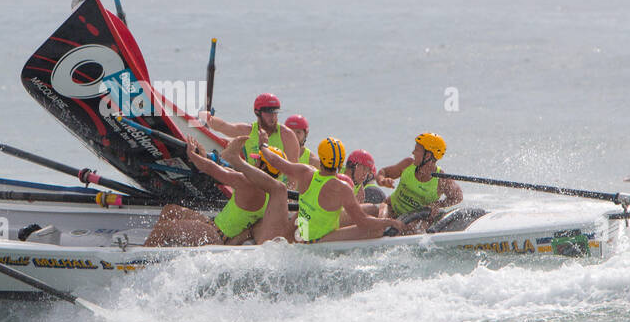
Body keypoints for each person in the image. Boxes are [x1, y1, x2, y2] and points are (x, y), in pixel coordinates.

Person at [144, 136, 283, 246]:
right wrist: (203, 158)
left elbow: (211, 169)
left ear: (262, 165)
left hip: (216, 236)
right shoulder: (274, 193)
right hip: (215, 227)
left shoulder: (249, 184)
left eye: (257, 160)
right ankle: (162, 249)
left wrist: (192, 156)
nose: (254, 163)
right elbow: (222, 170)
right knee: (169, 210)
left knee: (164, 228)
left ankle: (141, 262)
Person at [257, 138, 403, 242]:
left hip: (302, 232)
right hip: (317, 239)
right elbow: (363, 222)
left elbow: (276, 161)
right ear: (341, 162)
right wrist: (389, 222)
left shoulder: (305, 172)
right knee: (376, 230)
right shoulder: (342, 188)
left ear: (321, 158)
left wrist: (263, 145)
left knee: (371, 209)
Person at [374, 133, 464, 234]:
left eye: (417, 150)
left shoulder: (441, 179)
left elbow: (458, 197)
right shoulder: (408, 164)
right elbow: (383, 172)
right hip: (391, 208)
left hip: (415, 218)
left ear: (428, 155)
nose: (413, 152)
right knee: (379, 226)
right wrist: (383, 181)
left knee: (412, 228)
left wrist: (437, 205)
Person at [199, 93, 301, 163]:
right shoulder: (248, 131)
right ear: (257, 112)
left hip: (277, 189)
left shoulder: (287, 135)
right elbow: (224, 126)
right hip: (254, 184)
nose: (273, 117)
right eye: (268, 112)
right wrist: (206, 116)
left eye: (275, 112)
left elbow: (293, 170)